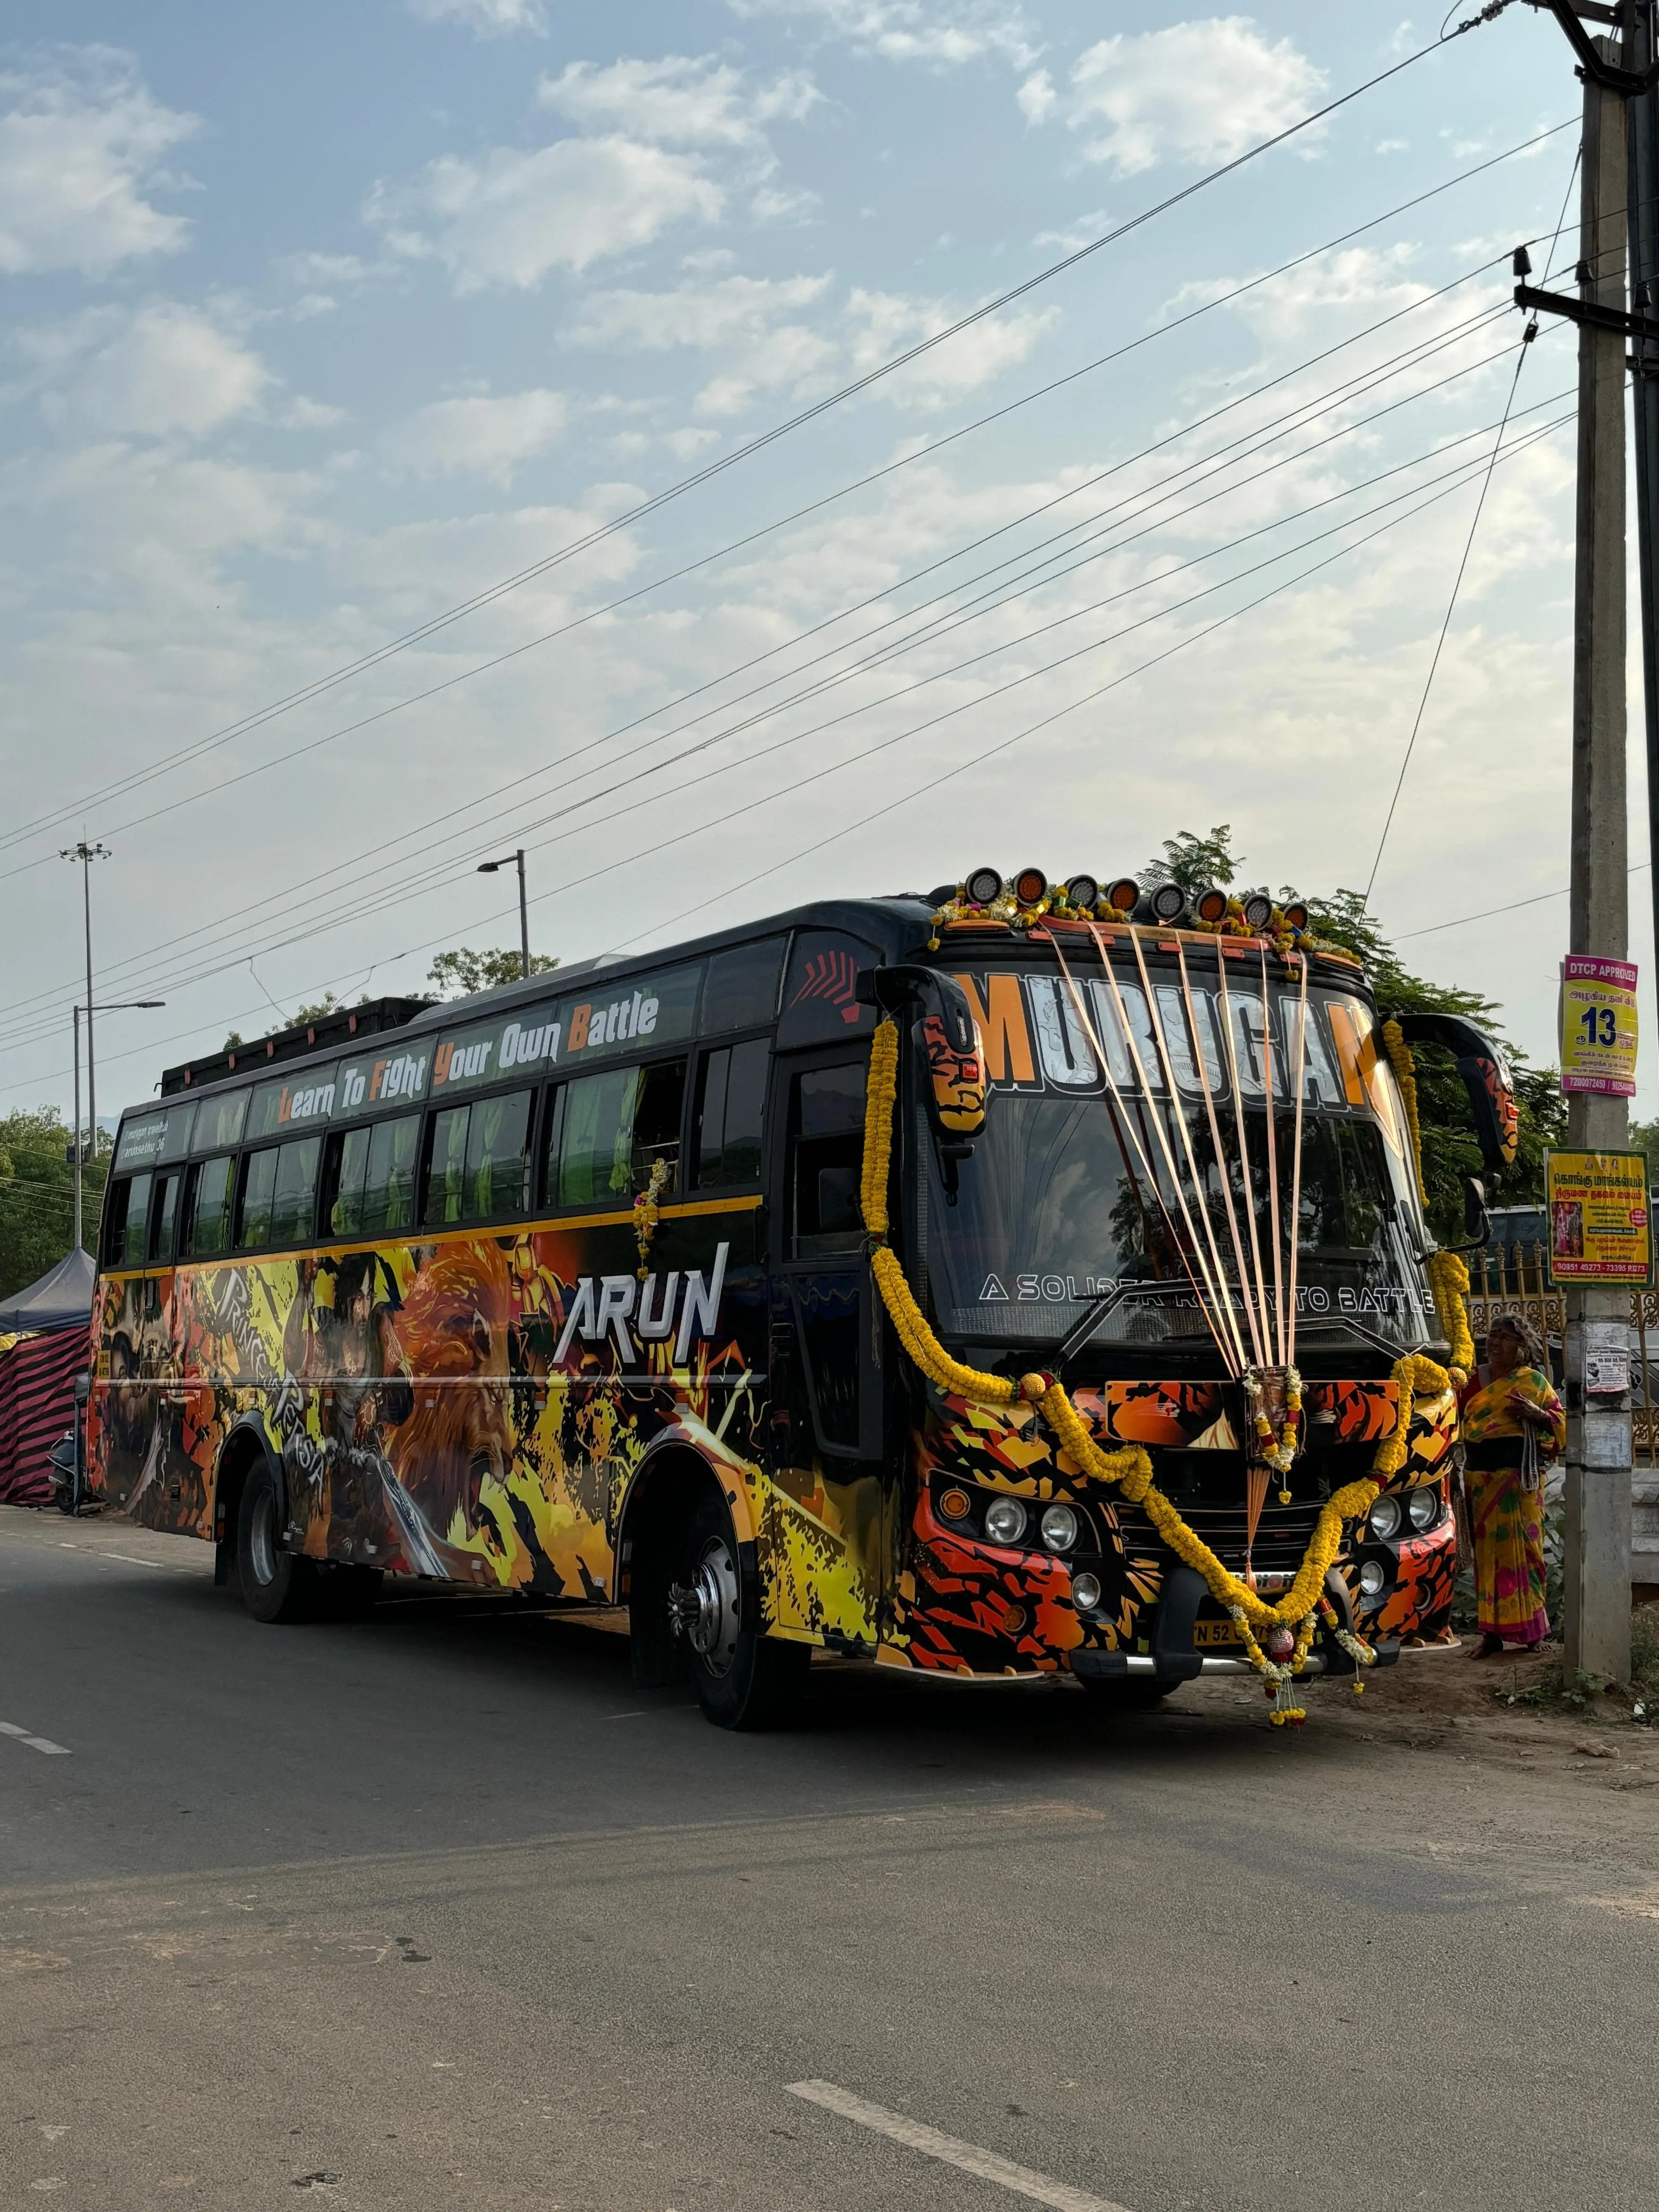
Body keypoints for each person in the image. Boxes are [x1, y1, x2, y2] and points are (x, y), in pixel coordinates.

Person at [1457, 1314, 1565, 1657]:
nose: (1495, 1342)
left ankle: (1534, 1635)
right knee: (1487, 1560)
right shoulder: (1472, 1380)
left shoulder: (1532, 1382)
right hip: (1480, 1484)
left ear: (1521, 1347)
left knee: (1526, 1557)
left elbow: (1561, 1425)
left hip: (1518, 1484)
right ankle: (1491, 1636)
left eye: (1504, 1337)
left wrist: (1538, 1414)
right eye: (1492, 1335)